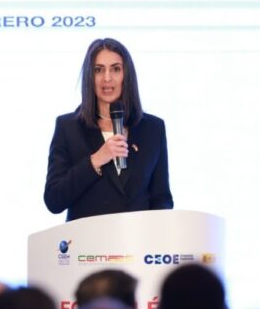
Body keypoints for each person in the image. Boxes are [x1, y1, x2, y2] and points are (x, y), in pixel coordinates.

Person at [44, 38, 173, 221]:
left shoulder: (153, 128)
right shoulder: (68, 127)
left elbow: (161, 199)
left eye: (115, 69)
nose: (107, 78)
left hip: (136, 237)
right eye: (98, 70)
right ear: (89, 77)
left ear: (126, 75)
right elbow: (54, 200)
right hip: (87, 238)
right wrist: (96, 160)